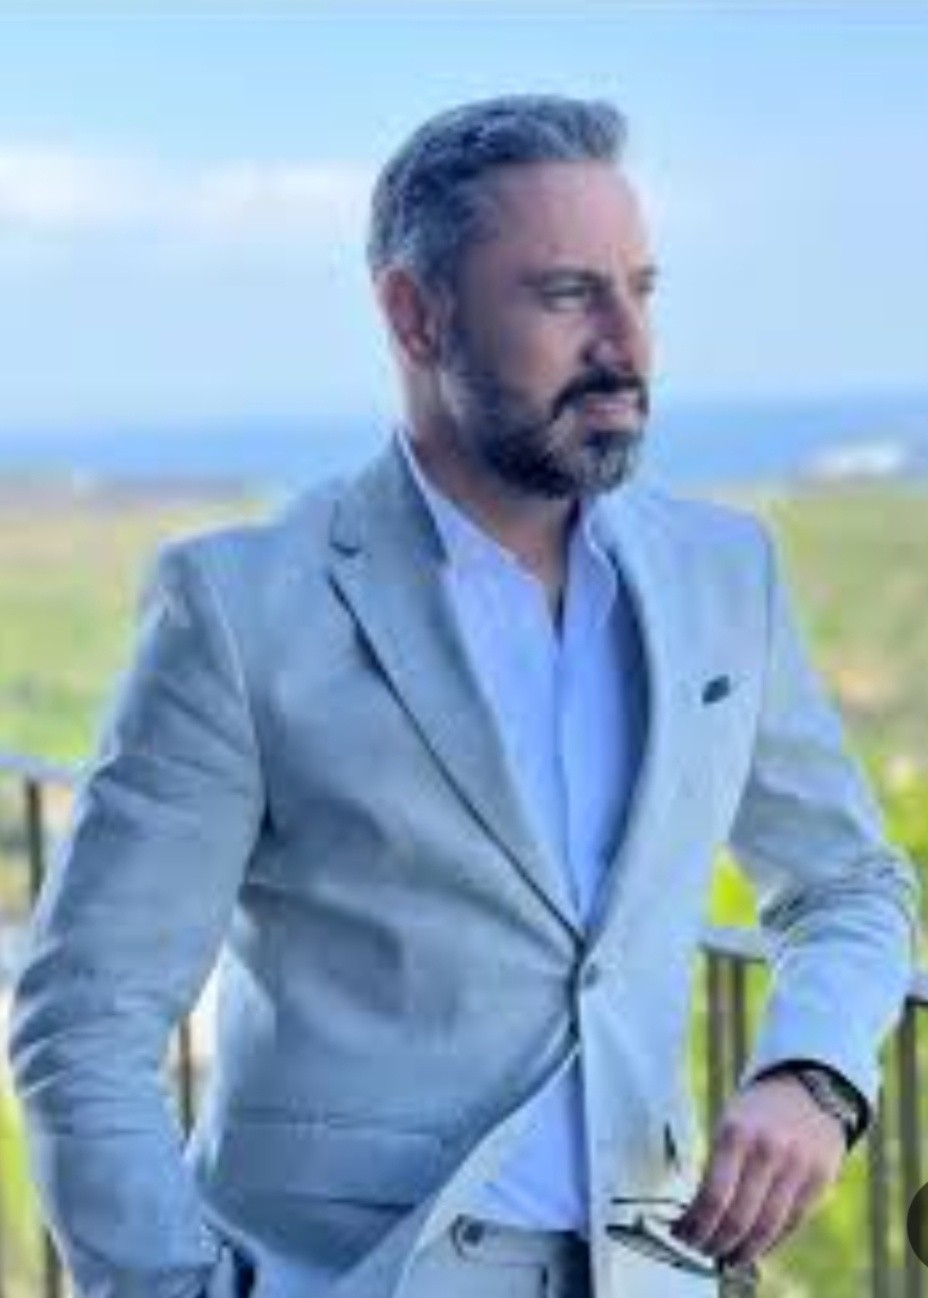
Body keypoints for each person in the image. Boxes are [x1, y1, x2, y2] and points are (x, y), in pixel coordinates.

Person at [8, 94, 921, 1298]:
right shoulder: (240, 606)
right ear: (415, 313)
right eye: (566, 294)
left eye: (640, 289)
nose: (625, 342)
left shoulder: (722, 575)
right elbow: (86, 1021)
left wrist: (814, 1073)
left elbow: (848, 883)